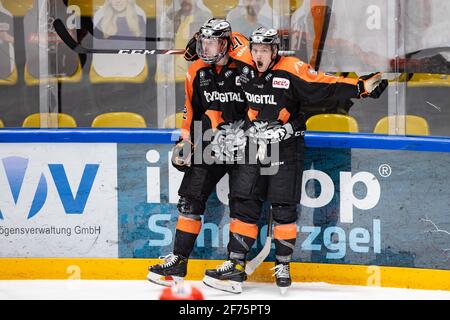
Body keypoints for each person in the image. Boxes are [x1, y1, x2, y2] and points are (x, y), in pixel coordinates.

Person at [201, 27, 388, 294]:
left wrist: (359, 87)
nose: (258, 55)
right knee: (243, 200)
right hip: (255, 143)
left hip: (286, 145)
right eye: (255, 49)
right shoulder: (244, 64)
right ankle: (235, 265)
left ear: (275, 50)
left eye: (264, 50)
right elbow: (220, 42)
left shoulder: (291, 68)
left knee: (284, 204)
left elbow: (323, 84)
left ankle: (283, 264)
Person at [147, 18, 248, 287]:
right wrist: (185, 142)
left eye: (213, 42)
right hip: (209, 142)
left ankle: (236, 266)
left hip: (245, 143)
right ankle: (178, 262)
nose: (207, 48)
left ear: (227, 43)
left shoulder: (246, 66)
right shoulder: (196, 71)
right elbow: (189, 112)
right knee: (190, 199)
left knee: (242, 205)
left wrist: (233, 41)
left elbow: (249, 50)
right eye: (203, 42)